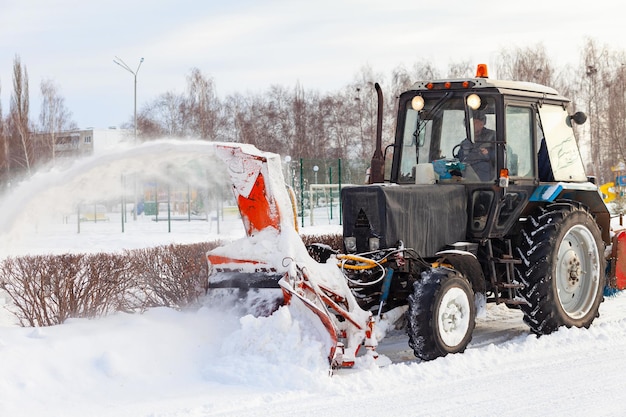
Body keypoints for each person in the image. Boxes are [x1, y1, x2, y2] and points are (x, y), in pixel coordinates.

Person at [456, 111, 495, 181]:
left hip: (490, 183)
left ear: (482, 124)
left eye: (474, 123)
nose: (471, 126)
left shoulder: (494, 137)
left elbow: (505, 155)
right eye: (468, 123)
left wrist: (488, 154)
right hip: (469, 182)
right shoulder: (465, 143)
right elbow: (460, 160)